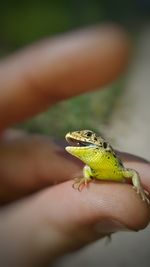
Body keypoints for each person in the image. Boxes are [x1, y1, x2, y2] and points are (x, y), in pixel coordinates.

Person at [0, 25, 149, 267]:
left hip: (114, 175)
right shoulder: (90, 168)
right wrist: (85, 178)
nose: (78, 140)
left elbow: (131, 173)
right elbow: (89, 170)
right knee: (117, 207)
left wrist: (139, 189)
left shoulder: (113, 162)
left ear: (100, 144)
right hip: (103, 177)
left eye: (86, 136)